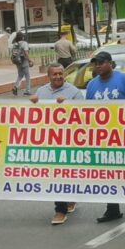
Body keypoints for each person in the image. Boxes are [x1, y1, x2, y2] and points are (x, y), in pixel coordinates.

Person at [86, 51, 125, 223]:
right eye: (96, 63)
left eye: (101, 63)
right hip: (104, 138)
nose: (98, 66)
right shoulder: (91, 85)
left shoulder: (123, 79)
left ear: (110, 63)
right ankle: (112, 208)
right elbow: (86, 110)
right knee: (108, 174)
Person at [31, 63, 84, 225]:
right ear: (48, 76)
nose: (58, 77)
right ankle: (60, 209)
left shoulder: (73, 92)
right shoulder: (41, 92)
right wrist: (32, 104)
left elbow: (85, 113)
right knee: (55, 174)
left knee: (66, 174)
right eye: (54, 74)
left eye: (61, 74)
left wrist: (69, 105)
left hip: (69, 141)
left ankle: (67, 201)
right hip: (49, 141)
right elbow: (35, 115)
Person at [11, 31, 34, 96]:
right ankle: (27, 91)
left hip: (17, 61)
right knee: (27, 76)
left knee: (20, 75)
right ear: (22, 37)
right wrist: (30, 60)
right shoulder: (24, 43)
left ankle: (15, 87)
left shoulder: (15, 44)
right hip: (24, 61)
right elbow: (26, 53)